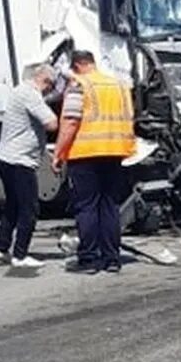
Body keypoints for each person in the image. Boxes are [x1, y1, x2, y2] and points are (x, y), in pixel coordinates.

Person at [53, 50, 136, 274]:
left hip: (85, 153)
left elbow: (70, 122)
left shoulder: (79, 84)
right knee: (110, 206)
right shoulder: (119, 85)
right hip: (115, 151)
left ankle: (89, 259)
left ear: (78, 65)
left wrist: (59, 154)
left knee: (87, 206)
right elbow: (130, 117)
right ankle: (112, 259)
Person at [0, 63, 58, 268]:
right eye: (51, 86)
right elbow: (51, 123)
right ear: (45, 80)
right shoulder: (30, 94)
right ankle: (20, 255)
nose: (51, 90)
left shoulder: (19, 91)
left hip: (5, 157)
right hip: (19, 161)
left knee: (12, 204)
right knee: (29, 208)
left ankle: (1, 248)